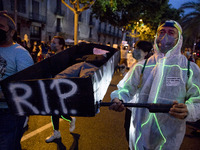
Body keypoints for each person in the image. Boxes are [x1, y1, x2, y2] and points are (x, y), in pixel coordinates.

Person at [109, 20, 200, 150]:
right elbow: (125, 89)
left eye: (171, 33)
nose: (165, 36)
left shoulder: (189, 69)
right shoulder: (141, 66)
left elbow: (198, 100)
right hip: (138, 137)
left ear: (179, 38)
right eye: (161, 32)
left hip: (168, 139)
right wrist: (118, 98)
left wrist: (189, 110)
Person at [0, 11, 34, 150]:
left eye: (0, 26)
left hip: (9, 114)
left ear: (12, 32)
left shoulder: (20, 54)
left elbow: (26, 90)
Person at [45, 36, 76, 143]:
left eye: (55, 43)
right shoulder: (53, 56)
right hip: (53, 86)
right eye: (52, 42)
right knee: (55, 111)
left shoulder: (66, 56)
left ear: (61, 45)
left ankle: (70, 120)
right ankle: (57, 132)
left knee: (58, 111)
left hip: (63, 88)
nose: (52, 44)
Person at [123, 40, 153, 144]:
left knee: (132, 132)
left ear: (146, 52)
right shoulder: (141, 64)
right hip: (142, 105)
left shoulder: (140, 66)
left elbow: (130, 86)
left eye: (138, 49)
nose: (135, 51)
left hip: (134, 105)